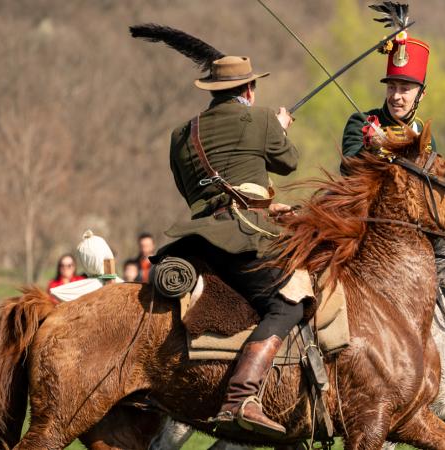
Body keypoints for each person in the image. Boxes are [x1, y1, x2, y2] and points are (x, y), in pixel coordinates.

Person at [160, 53, 299, 436]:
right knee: (288, 304)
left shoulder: (180, 135)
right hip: (240, 239)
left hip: (193, 241)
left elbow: (192, 193)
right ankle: (242, 397)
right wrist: (280, 127)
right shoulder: (262, 118)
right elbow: (289, 162)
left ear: (213, 91)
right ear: (249, 89)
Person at [341, 33, 435, 169]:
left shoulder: (425, 136)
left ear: (421, 95)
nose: (396, 96)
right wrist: (370, 149)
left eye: (404, 89)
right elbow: (347, 169)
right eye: (391, 87)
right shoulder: (361, 121)